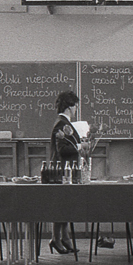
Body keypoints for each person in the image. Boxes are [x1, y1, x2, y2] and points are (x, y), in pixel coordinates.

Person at [49, 90, 80, 254]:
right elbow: (62, 150)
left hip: (65, 170)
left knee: (65, 205)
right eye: (75, 106)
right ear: (69, 107)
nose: (76, 109)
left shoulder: (62, 122)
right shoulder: (62, 124)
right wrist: (80, 147)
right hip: (63, 171)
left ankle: (64, 237)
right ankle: (56, 238)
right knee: (61, 205)